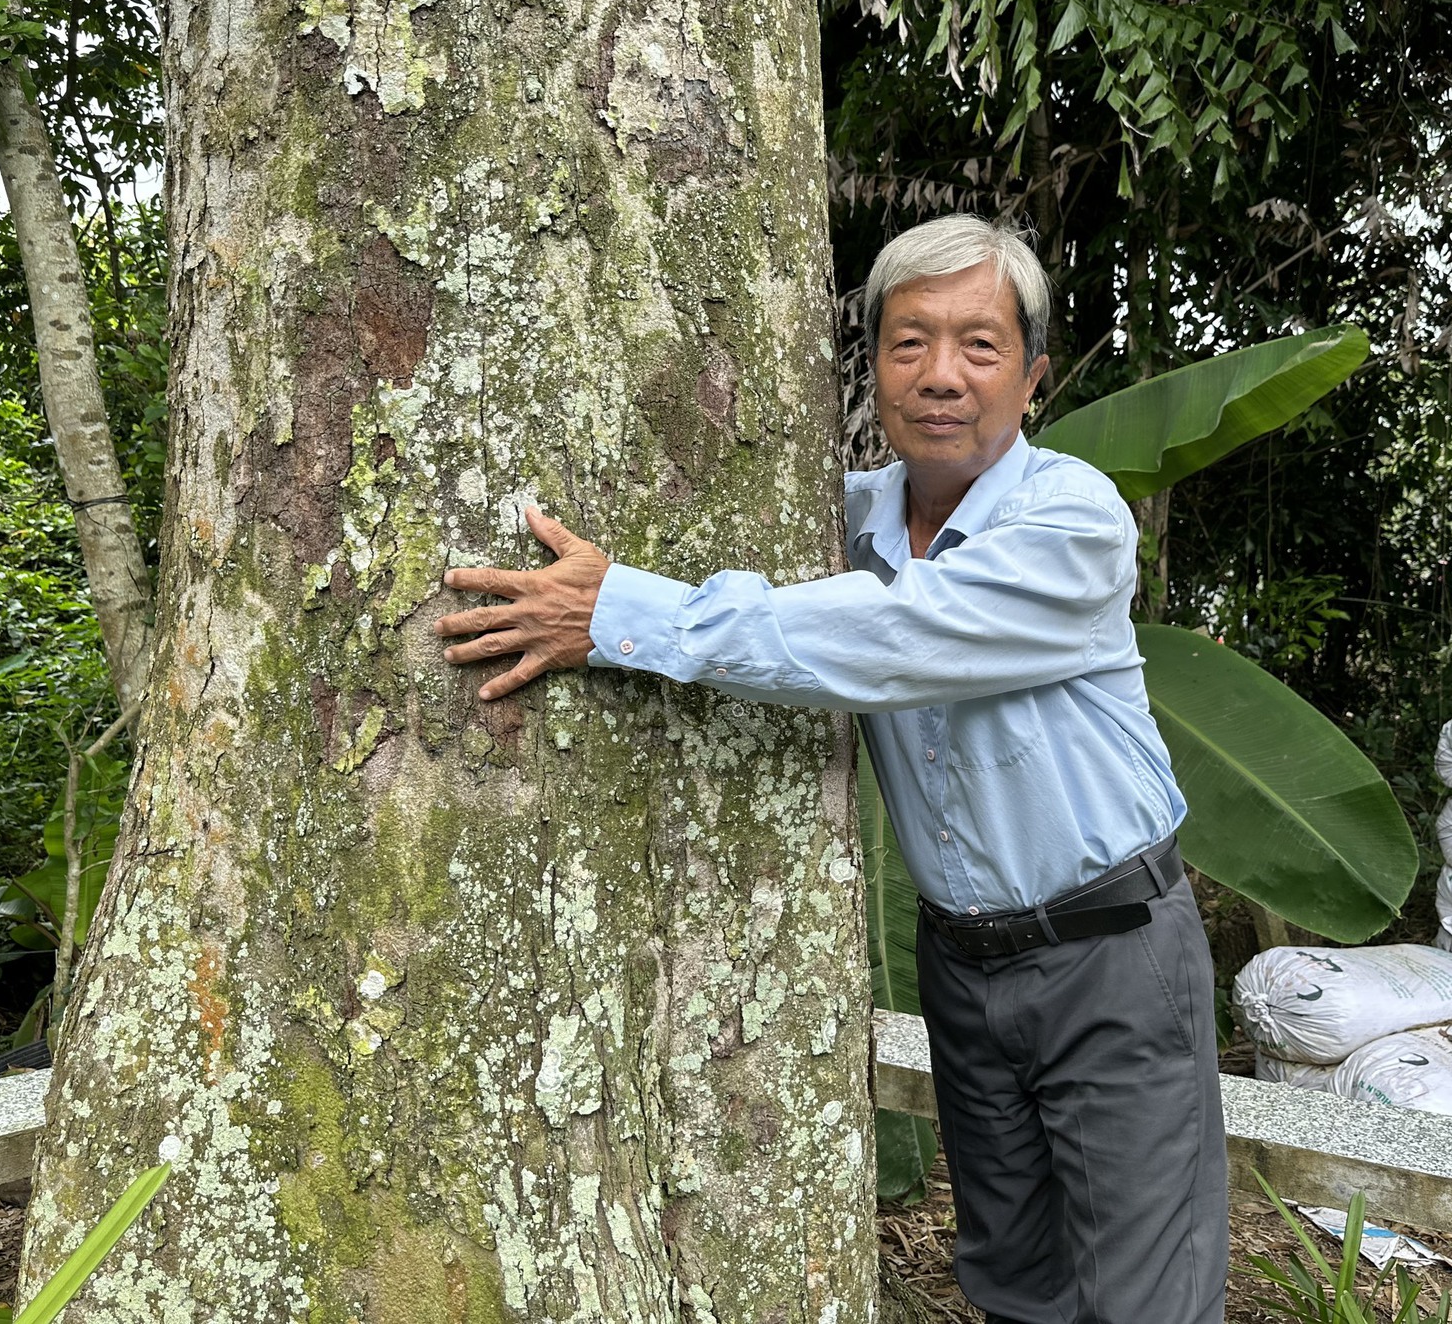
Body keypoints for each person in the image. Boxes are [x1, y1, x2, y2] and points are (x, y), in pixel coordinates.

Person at [433, 214, 1227, 1324]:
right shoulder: (837, 517)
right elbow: (797, 592)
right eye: (907, 343)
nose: (939, 376)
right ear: (871, 365)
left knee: (1139, 1296)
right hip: (959, 963)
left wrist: (619, 610)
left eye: (978, 346)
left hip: (1109, 957)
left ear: (1033, 378)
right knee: (1011, 1276)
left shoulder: (1071, 521)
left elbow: (893, 634)